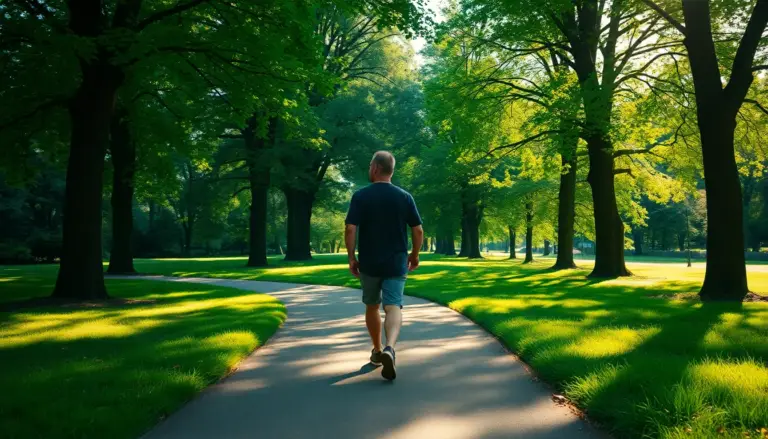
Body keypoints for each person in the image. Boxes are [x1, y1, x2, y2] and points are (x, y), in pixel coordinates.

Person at [344, 151, 423, 381]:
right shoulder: (404, 197)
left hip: (369, 263)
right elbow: (417, 229)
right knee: (393, 306)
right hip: (397, 262)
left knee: (372, 306)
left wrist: (351, 257)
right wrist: (414, 255)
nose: (369, 169)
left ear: (376, 168)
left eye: (370, 165)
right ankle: (390, 347)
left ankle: (377, 351)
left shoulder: (361, 196)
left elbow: (350, 228)